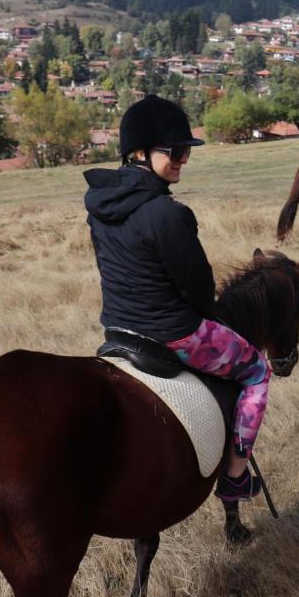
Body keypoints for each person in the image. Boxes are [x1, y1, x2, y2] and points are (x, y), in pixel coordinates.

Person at [83, 94, 267, 502]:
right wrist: (210, 322)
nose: (184, 159)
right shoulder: (169, 214)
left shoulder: (99, 207)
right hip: (171, 333)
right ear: (139, 153)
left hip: (117, 326)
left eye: (187, 151)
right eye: (177, 151)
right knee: (256, 370)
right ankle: (236, 477)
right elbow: (198, 289)